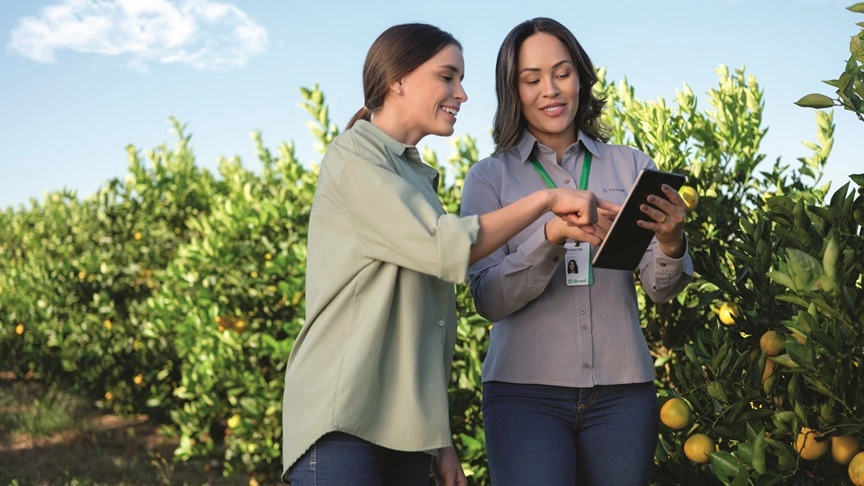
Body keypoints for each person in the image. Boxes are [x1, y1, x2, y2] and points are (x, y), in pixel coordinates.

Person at [281, 23, 611, 486]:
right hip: (342, 417)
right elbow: (445, 244)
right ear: (397, 79)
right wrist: (546, 200)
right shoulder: (354, 156)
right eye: (448, 77)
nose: (462, 94)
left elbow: (423, 328)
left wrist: (441, 442)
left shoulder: (413, 174)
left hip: (404, 429)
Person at [460, 18, 693, 485]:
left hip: (622, 394)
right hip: (524, 396)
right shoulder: (489, 179)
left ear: (581, 77)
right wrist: (548, 237)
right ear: (513, 90)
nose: (550, 90)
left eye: (562, 73)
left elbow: (661, 290)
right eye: (531, 79)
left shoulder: (631, 165)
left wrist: (670, 242)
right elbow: (488, 300)